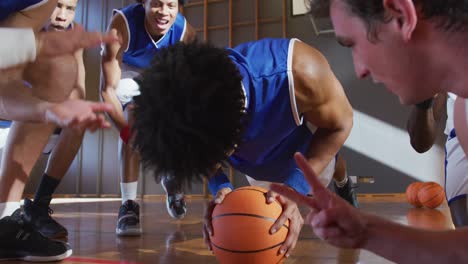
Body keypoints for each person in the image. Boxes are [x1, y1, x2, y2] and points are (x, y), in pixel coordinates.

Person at [267, 0, 468, 262]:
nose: (360, 69)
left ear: (401, 14)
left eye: (353, 44)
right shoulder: (462, 110)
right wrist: (367, 232)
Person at [131, 39, 354, 258]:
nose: (210, 163)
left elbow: (340, 125)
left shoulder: (300, 73)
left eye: (212, 156)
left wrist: (295, 187)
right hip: (258, 165)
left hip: (301, 148)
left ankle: (344, 185)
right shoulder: (187, 114)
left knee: (333, 163)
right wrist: (220, 186)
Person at [0, 0, 118, 261]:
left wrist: (53, 110)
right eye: (59, 5)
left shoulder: (39, 19)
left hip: (21, 116)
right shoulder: (25, 12)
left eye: (70, 8)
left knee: (59, 67)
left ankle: (12, 216)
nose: (62, 15)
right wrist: (45, 109)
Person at [101, 0, 196, 236]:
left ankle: (170, 175)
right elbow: (107, 91)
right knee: (132, 121)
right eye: (156, 4)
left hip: (159, 74)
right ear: (143, 3)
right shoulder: (120, 26)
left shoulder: (185, 33)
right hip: (126, 73)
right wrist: (126, 133)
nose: (164, 12)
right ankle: (128, 205)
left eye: (170, 5)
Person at [407, 92, 468, 227]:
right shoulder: (446, 72)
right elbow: (420, 144)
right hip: (462, 136)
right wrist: (423, 103)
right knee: (464, 228)